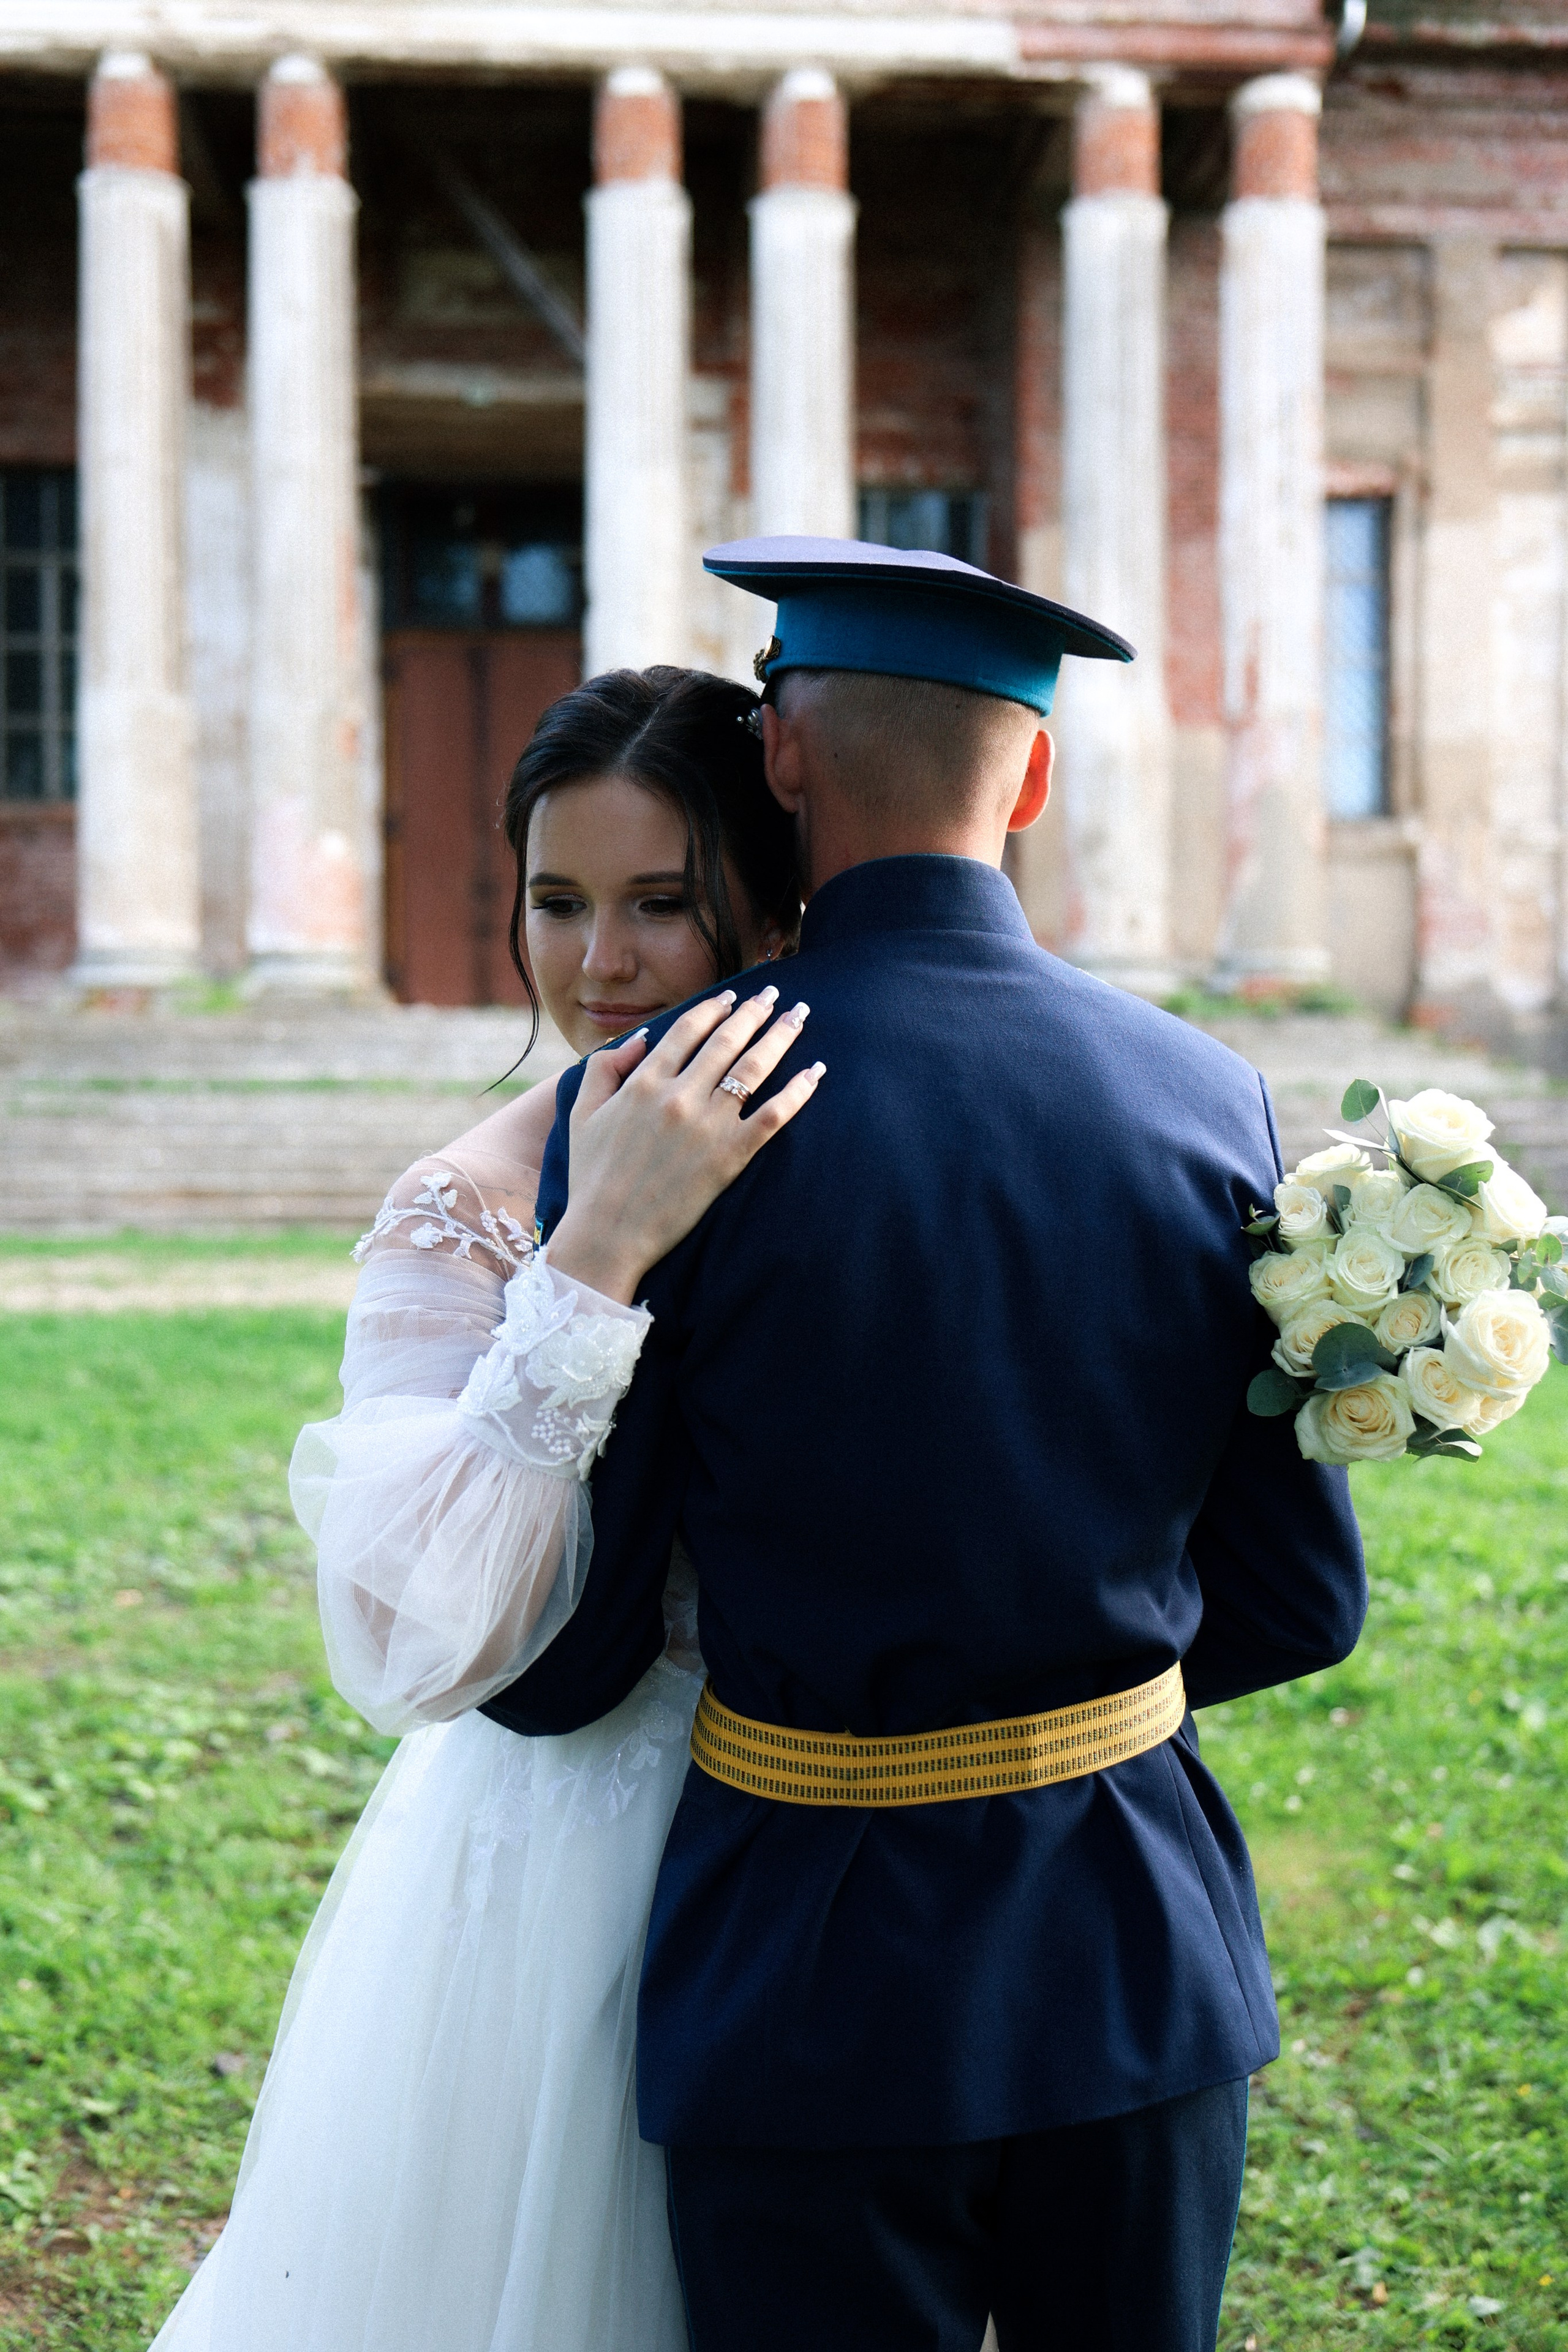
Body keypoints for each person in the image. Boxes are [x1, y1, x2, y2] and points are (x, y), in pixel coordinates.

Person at [494, 538, 1370, 2351]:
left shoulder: (680, 1103)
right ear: (1034, 773)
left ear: (784, 762)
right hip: (1135, 1946)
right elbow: (1301, 1601)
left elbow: (571, 1660)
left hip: (798, 1980)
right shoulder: (1218, 1102)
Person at [147, 666, 817, 2352]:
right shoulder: (464, 1205)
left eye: (663, 904)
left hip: (830, 1829)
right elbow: (413, 1633)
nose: (602, 964)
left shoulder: (867, 1154)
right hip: (561, 1852)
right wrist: (593, 1260)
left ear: (766, 894)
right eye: (559, 903)